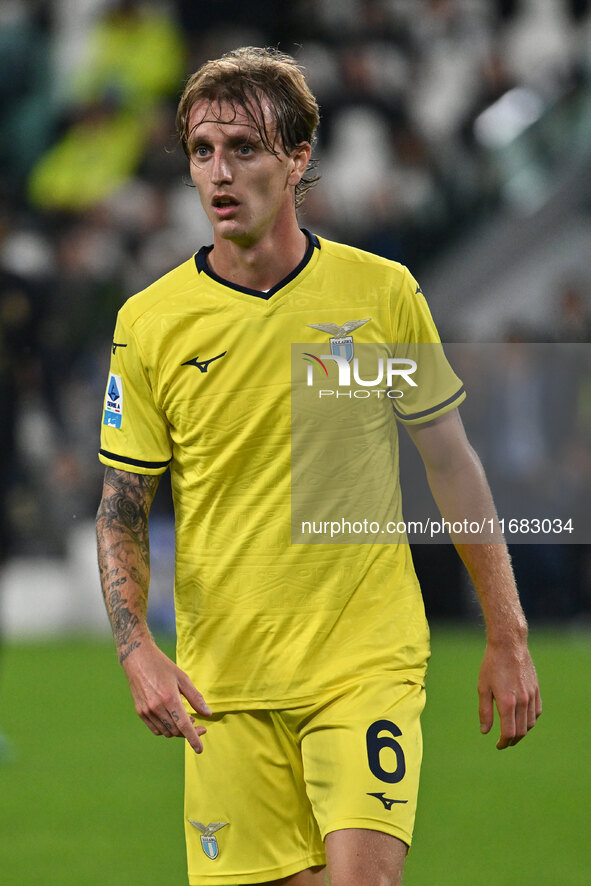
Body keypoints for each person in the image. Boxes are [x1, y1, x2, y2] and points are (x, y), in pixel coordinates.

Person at [96, 47, 541, 886]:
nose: (218, 173)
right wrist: (136, 652)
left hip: (362, 662)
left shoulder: (378, 296)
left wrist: (506, 631)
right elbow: (121, 506)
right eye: (201, 151)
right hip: (224, 684)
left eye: (245, 149)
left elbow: (450, 464)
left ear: (299, 160)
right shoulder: (151, 323)